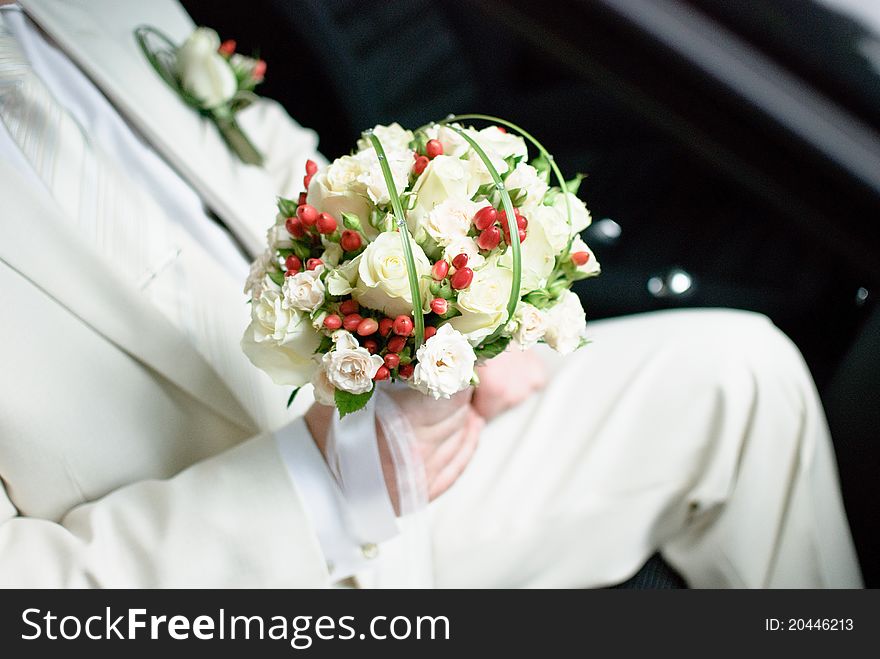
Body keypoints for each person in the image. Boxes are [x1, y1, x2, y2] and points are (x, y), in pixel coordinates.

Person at [0, 0, 862, 588]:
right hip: (254, 558)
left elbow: (289, 165)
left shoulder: (85, 12)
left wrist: (449, 319)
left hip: (394, 424)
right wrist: (317, 488)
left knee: (743, 380)